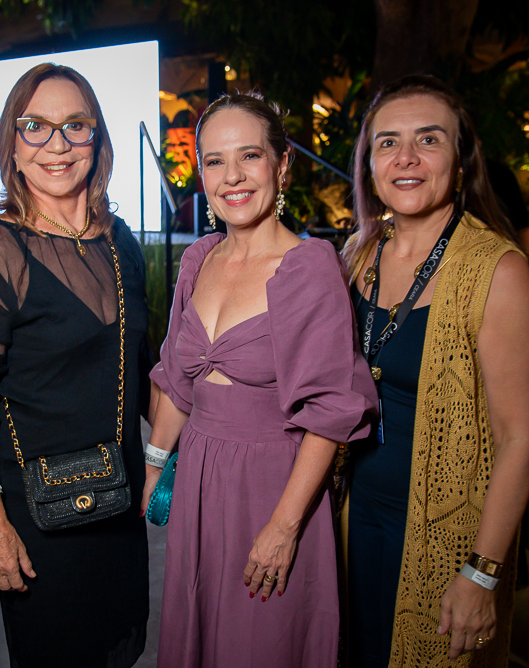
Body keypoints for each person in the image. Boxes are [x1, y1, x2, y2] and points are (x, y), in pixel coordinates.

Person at [142, 92, 379, 668]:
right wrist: (154, 469)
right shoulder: (198, 259)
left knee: (262, 644)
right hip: (198, 476)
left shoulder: (311, 267)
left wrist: (284, 525)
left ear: (283, 164)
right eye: (215, 161)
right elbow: (178, 380)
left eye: (249, 156)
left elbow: (329, 414)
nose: (232, 177)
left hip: (273, 486)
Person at [0, 63, 150, 668]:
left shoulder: (122, 242)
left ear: (98, 139)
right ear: (12, 140)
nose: (57, 145)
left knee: (120, 650)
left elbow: (146, 370)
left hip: (118, 504)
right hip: (37, 516)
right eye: (35, 126)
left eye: (75, 126)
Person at [342, 75, 529, 667]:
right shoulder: (357, 255)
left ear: (460, 163)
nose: (405, 158)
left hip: (442, 531)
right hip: (353, 518)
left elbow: (518, 440)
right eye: (388, 143)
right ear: (369, 164)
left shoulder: (498, 272)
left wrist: (481, 574)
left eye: (428, 140)